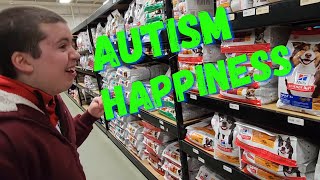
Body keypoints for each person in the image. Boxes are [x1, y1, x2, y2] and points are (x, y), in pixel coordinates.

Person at [0, 6, 104, 180]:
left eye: (73, 44)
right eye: (63, 46)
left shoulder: (46, 95)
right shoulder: (6, 140)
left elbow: (59, 144)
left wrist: (89, 117)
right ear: (23, 61)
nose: (77, 54)